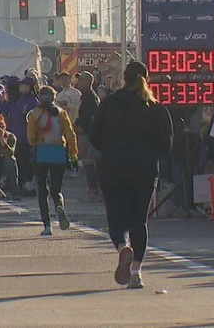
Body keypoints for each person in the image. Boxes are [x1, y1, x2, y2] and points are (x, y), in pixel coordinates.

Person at [89, 61, 173, 289]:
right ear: (147, 78)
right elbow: (167, 144)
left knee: (116, 216)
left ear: (123, 79)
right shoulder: (155, 108)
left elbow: (94, 136)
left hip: (113, 166)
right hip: (144, 169)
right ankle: (136, 271)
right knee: (139, 219)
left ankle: (122, 246)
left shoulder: (108, 104)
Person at [27, 85, 78, 236]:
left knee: (42, 189)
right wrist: (73, 154)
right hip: (58, 153)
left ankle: (47, 225)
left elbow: (30, 138)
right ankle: (59, 206)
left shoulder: (34, 114)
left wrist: (35, 142)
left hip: (41, 152)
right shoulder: (61, 113)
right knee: (57, 188)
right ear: (54, 98)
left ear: (39, 97)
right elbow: (70, 134)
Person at [8, 76, 39, 195]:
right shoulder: (20, 99)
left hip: (27, 136)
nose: (20, 86)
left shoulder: (32, 101)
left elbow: (28, 118)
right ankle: (22, 184)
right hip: (17, 134)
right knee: (19, 161)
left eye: (23, 84)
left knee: (27, 162)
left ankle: (30, 185)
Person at [75, 72, 102, 201]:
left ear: (87, 82)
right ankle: (92, 189)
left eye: (81, 80)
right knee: (86, 162)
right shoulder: (84, 96)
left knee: (89, 162)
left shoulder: (91, 97)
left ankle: (94, 190)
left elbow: (91, 117)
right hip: (85, 133)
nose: (79, 82)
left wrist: (82, 126)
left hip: (88, 134)